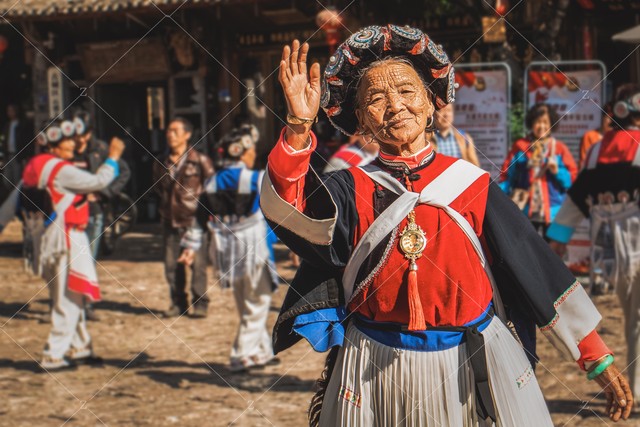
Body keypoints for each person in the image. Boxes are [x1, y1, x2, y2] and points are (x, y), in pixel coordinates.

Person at [261, 27, 632, 426]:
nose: (395, 106)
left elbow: (533, 265)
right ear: (362, 121)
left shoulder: (471, 184)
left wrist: (594, 356)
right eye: (376, 98)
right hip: (370, 365)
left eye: (406, 91)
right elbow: (291, 209)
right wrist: (299, 128)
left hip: (463, 365)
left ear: (429, 103)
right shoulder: (349, 188)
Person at [547, 83, 640, 406]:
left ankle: (639, 385)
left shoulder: (598, 151)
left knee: (633, 316)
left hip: (610, 252)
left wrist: (556, 241)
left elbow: (574, 203)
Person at [20, 119, 124, 370]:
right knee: (69, 297)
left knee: (70, 293)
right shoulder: (60, 169)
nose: (72, 143)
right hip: (65, 237)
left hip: (47, 237)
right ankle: (54, 353)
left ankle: (80, 345)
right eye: (65, 140)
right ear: (53, 145)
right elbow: (98, 181)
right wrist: (113, 158)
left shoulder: (34, 165)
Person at [180, 126, 279, 372]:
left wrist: (191, 247)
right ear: (241, 152)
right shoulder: (257, 178)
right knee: (259, 301)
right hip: (254, 248)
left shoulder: (212, 182)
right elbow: (278, 212)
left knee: (247, 302)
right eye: (251, 150)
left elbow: (200, 219)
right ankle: (242, 354)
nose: (253, 154)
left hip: (226, 250)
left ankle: (261, 352)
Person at [71, 111, 131, 321]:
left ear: (89, 134)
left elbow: (123, 172)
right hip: (69, 214)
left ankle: (86, 305)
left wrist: (104, 193)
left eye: (84, 134)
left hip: (93, 213)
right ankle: (67, 304)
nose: (79, 140)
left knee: (87, 260)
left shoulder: (101, 149)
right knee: (68, 261)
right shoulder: (65, 150)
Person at [152, 117, 214, 318]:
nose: (170, 135)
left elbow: (212, 188)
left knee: (198, 266)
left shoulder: (200, 161)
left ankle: (200, 303)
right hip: (170, 221)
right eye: (169, 131)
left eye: (175, 131)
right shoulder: (161, 162)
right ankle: (178, 302)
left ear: (187, 135)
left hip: (195, 220)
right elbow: (158, 189)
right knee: (172, 266)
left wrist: (209, 215)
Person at [1, 103, 33, 186]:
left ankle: (18, 196)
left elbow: (26, 141)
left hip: (18, 155)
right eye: (8, 111)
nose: (10, 113)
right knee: (7, 179)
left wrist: (26, 156)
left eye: (12, 110)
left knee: (17, 178)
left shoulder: (22, 125)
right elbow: (4, 140)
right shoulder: (7, 125)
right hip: (8, 155)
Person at [579, 102, 613, 168]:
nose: (611, 122)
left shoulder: (619, 138)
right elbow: (583, 162)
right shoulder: (589, 136)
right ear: (603, 117)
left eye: (615, 119)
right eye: (609, 117)